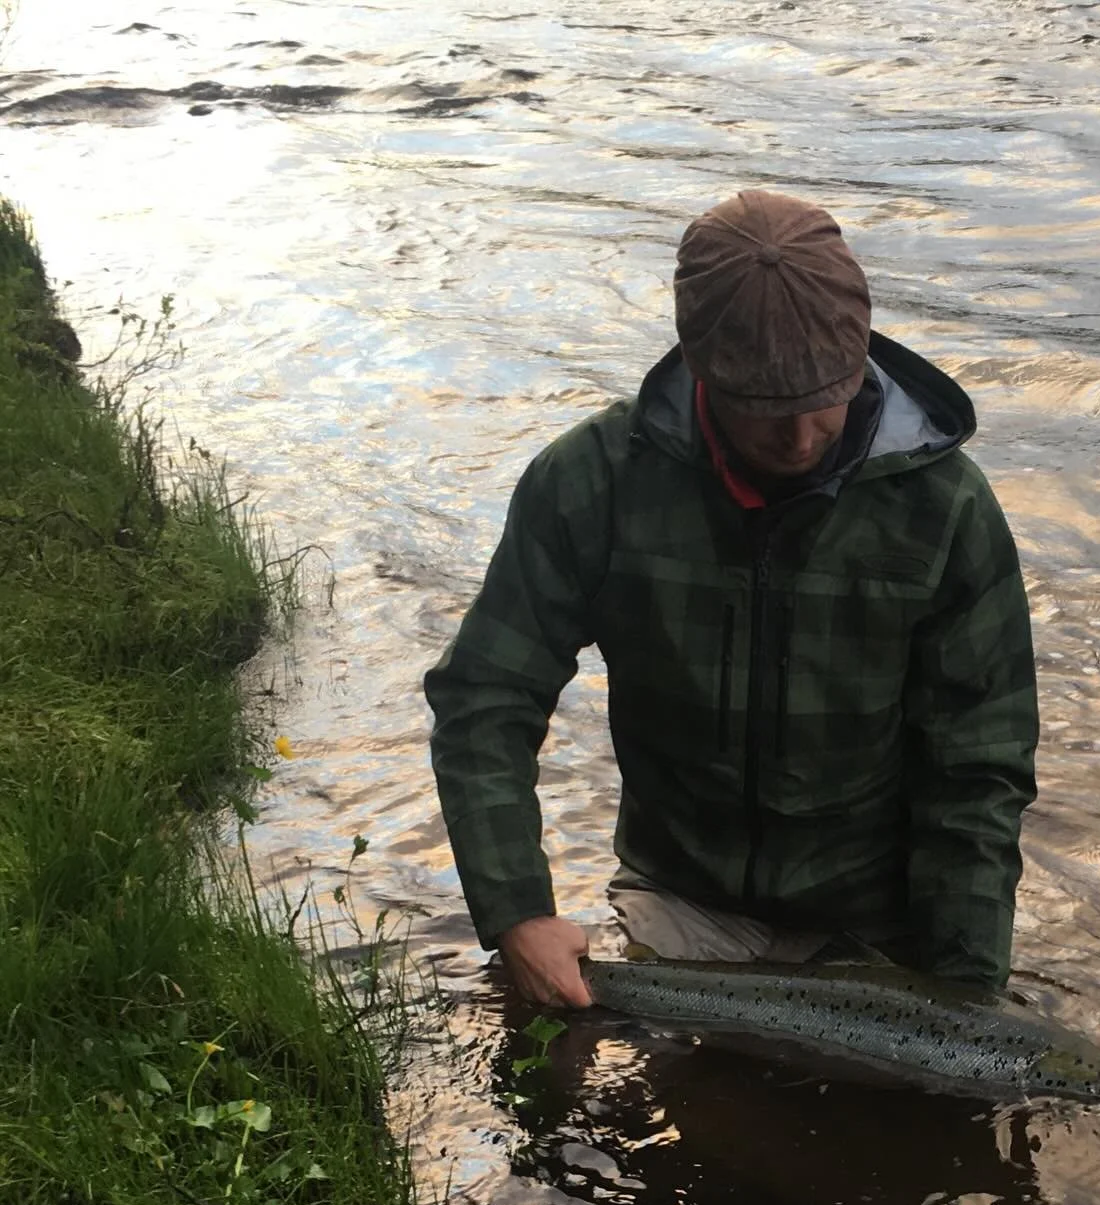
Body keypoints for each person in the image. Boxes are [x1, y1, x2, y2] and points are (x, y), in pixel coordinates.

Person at [425, 189, 1038, 1008]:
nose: (800, 437)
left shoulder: (947, 511)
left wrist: (966, 989)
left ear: (861, 351)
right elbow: (486, 698)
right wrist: (517, 911)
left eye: (823, 399)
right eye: (765, 411)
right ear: (701, 368)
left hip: (881, 915)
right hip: (684, 895)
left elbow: (979, 768)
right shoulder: (592, 483)